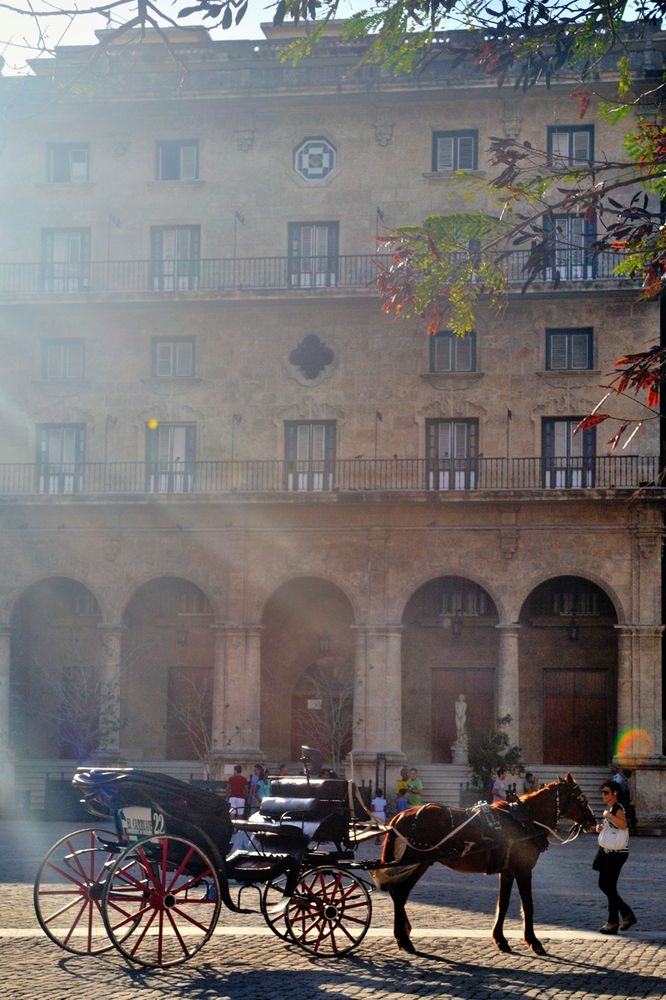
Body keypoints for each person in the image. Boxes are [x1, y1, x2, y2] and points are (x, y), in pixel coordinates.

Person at [593, 781, 636, 935]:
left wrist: (609, 816)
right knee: (605, 885)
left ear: (615, 793)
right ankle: (626, 915)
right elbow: (613, 828)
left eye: (606, 792)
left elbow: (623, 826)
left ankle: (614, 922)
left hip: (616, 854)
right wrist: (601, 827)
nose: (603, 795)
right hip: (608, 852)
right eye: (602, 792)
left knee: (608, 886)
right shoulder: (611, 808)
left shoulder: (618, 808)